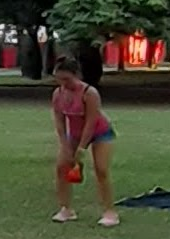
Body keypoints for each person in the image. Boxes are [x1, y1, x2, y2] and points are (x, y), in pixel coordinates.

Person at [51, 58, 119, 226]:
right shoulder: (58, 94)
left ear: (77, 75)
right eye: (59, 79)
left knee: (101, 169)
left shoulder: (89, 93)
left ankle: (110, 212)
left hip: (100, 133)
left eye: (67, 79)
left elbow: (91, 121)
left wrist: (81, 148)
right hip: (74, 134)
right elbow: (59, 121)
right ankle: (66, 209)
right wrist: (65, 146)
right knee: (62, 167)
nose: (63, 83)